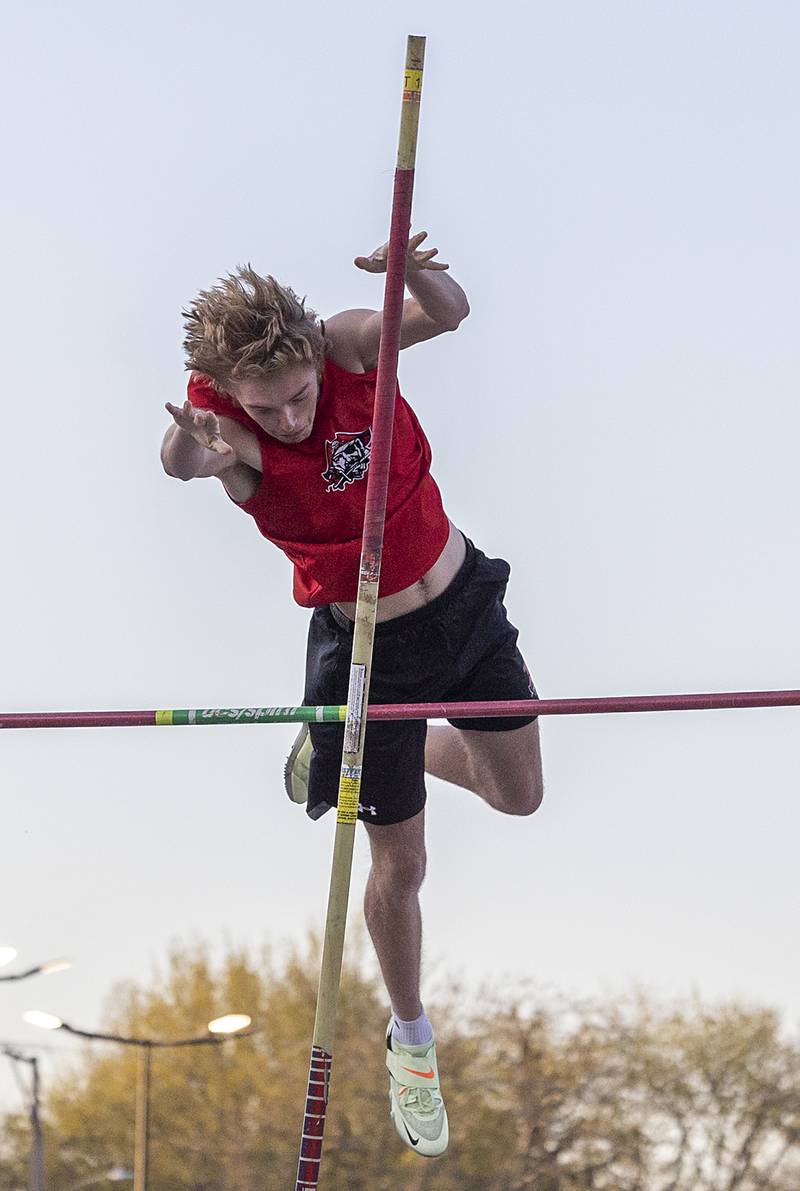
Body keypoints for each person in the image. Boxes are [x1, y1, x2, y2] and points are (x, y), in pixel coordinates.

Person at [161, 235, 544, 1158]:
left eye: (297, 394)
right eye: (267, 407)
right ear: (225, 394)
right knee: (401, 863)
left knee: (519, 794)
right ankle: (411, 1035)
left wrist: (414, 272)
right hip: (371, 650)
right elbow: (180, 463)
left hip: (463, 605)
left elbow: (447, 314)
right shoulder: (229, 433)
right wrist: (196, 441)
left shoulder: (342, 347)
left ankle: (329, 754)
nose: (292, 416)